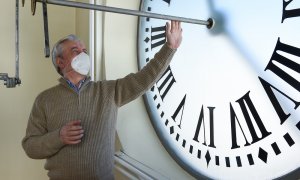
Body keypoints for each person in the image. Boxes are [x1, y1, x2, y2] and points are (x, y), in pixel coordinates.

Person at [22, 20, 182, 180]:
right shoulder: (44, 100)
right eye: (75, 51)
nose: (83, 55)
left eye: (84, 51)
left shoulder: (108, 91)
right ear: (60, 61)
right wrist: (59, 137)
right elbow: (30, 147)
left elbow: (144, 79)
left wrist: (169, 48)